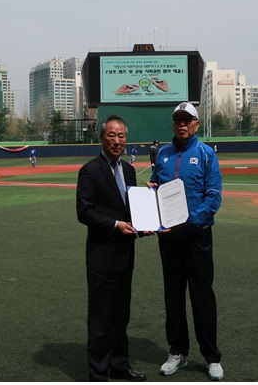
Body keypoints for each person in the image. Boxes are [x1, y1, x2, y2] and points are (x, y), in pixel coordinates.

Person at [148, 102, 224, 381]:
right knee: (173, 296)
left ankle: (211, 356)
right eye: (177, 120)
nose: (181, 124)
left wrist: (190, 221)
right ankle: (177, 351)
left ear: (196, 124)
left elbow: (213, 196)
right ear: (173, 124)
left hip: (197, 236)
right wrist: (151, 193)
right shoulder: (164, 154)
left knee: (202, 296)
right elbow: (156, 186)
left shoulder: (205, 154)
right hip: (169, 239)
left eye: (187, 120)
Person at [76, 115, 148, 382]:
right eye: (112, 136)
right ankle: (98, 374)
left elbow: (133, 211)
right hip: (101, 259)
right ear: (102, 137)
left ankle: (119, 366)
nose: (117, 141)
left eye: (121, 136)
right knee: (100, 322)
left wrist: (143, 224)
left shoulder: (128, 171)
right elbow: (84, 212)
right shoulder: (90, 170)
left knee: (121, 318)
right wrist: (115, 224)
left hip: (125, 257)